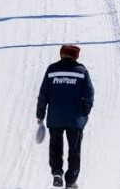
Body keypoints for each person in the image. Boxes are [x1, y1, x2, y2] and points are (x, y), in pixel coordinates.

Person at [36, 44, 94, 188]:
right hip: (75, 119)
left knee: (56, 146)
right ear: (76, 56)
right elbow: (89, 95)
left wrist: (40, 115)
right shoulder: (82, 71)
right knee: (74, 150)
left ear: (61, 54)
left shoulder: (51, 70)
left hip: (55, 117)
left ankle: (57, 174)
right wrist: (84, 113)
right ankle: (71, 181)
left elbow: (43, 94)